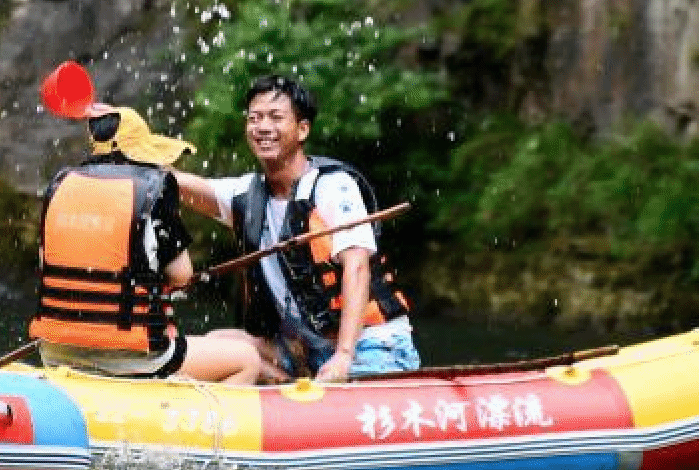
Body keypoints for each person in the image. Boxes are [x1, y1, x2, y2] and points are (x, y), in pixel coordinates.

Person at [176, 73, 419, 383]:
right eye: (255, 118)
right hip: (304, 351)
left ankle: (297, 389)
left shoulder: (333, 187)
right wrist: (138, 166)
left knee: (341, 366)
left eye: (276, 118)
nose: (263, 127)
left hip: (370, 346)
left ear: (302, 129)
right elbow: (181, 186)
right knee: (219, 344)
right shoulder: (247, 195)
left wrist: (344, 355)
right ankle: (286, 384)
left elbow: (357, 268)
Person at [28, 104, 261, 383]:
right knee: (248, 360)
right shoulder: (154, 188)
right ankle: (194, 423)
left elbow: (46, 263)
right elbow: (181, 275)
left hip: (55, 350)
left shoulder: (61, 186)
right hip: (132, 354)